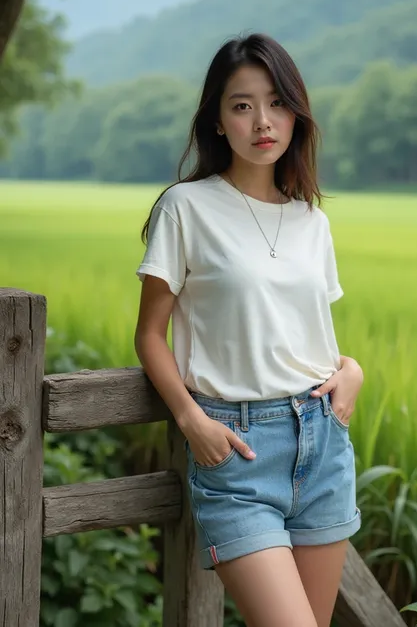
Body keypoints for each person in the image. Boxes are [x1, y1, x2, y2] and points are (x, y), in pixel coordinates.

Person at [134, 33, 363, 627]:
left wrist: (352, 371)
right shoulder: (185, 208)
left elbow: (311, 336)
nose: (263, 121)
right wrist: (191, 420)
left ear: (296, 113)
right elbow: (150, 336)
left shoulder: (313, 220)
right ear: (217, 120)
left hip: (323, 445)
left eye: (277, 102)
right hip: (235, 450)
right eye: (242, 105)